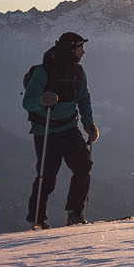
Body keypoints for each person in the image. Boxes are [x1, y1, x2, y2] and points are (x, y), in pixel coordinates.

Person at [22, 31, 99, 228]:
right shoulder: (43, 72)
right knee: (46, 177)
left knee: (83, 167)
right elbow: (28, 101)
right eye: (81, 48)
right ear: (71, 48)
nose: (84, 52)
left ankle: (74, 213)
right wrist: (42, 102)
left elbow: (83, 99)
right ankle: (37, 219)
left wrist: (88, 125)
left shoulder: (78, 73)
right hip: (46, 131)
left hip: (69, 129)